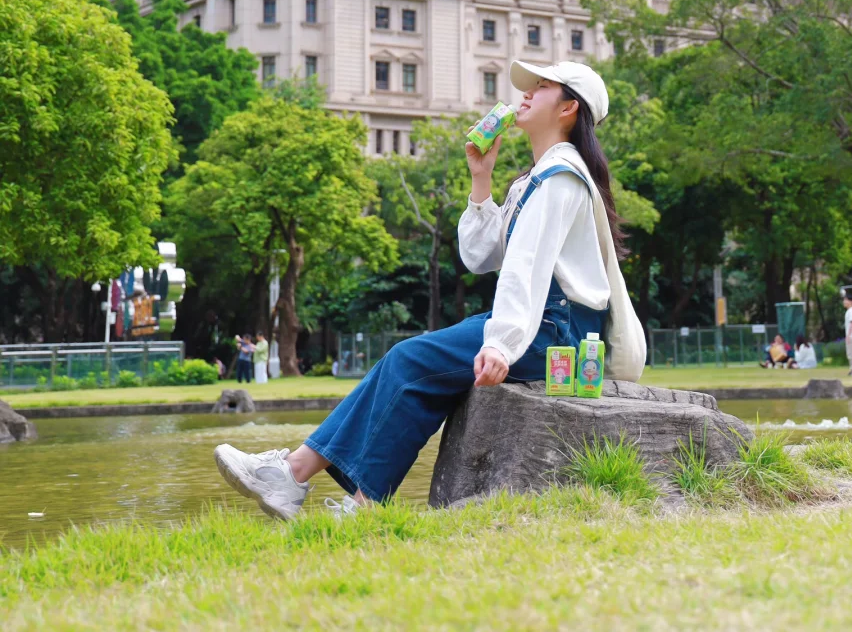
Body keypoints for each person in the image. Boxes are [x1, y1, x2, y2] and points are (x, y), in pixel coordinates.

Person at [213, 60, 647, 521]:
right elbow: (482, 256)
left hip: (555, 332)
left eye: (541, 87)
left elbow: (528, 269)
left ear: (569, 107)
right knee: (412, 365)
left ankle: (303, 478)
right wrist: (481, 177)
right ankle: (338, 494)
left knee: (410, 361)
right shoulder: (535, 179)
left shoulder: (561, 176)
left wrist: (501, 344)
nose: (525, 93)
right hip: (542, 325)